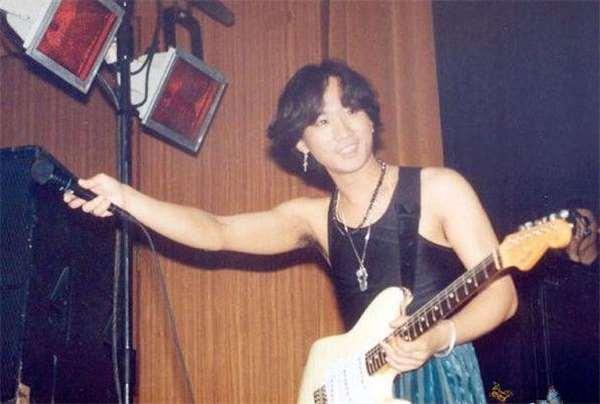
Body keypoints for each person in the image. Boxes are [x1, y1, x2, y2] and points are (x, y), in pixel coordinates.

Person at [64, 59, 518, 403]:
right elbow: (218, 230)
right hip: (361, 387)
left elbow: (503, 295)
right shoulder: (312, 219)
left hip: (439, 376)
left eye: (351, 110)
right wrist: (126, 197)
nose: (343, 131)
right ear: (302, 142)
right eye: (322, 121)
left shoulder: (440, 188)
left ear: (370, 118)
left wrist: (440, 337)